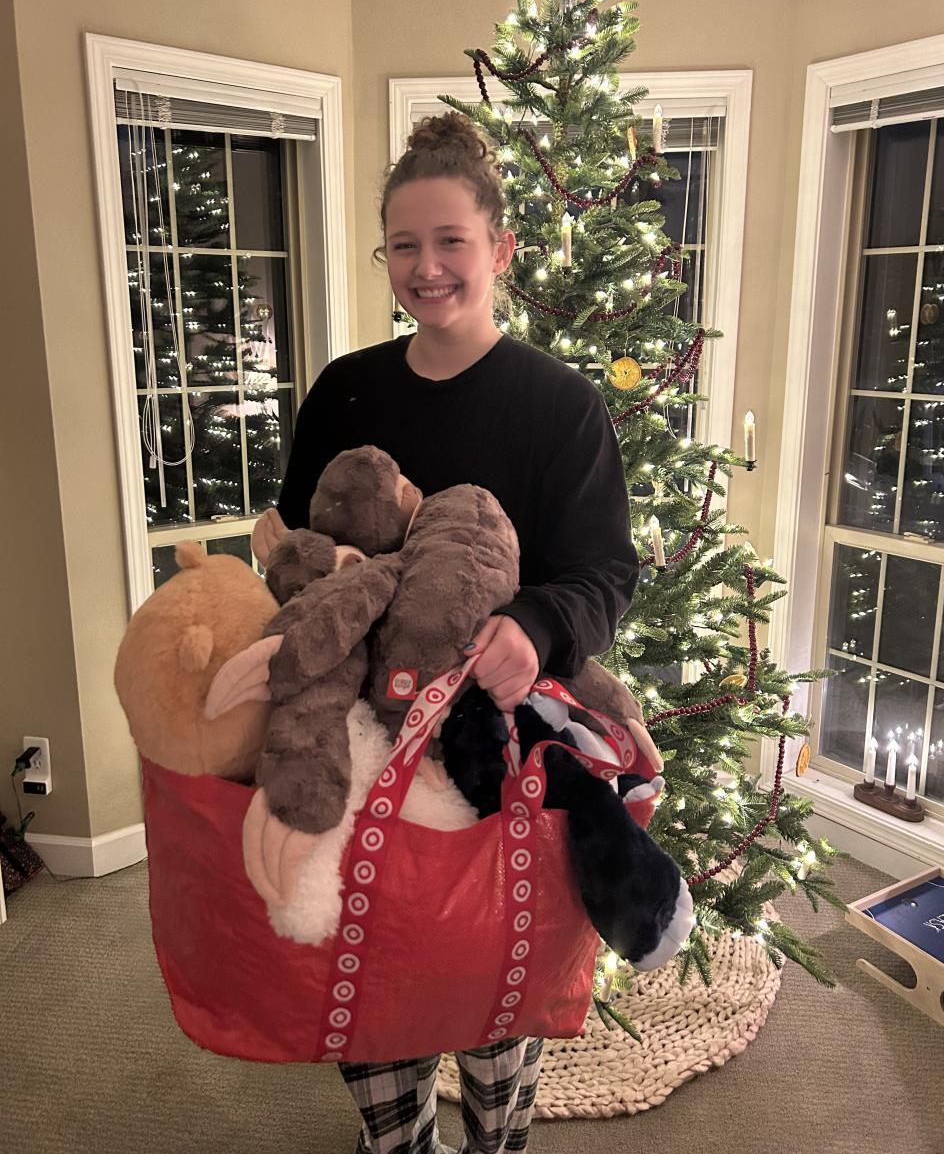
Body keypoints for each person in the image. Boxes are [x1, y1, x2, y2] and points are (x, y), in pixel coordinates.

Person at [254, 113, 639, 1154]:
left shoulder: (561, 407)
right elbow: (298, 551)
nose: (426, 267)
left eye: (451, 241)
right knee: (377, 986)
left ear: (500, 248)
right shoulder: (345, 389)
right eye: (404, 245)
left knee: (496, 988)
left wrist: (537, 623)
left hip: (502, 745)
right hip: (363, 736)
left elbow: (606, 573)